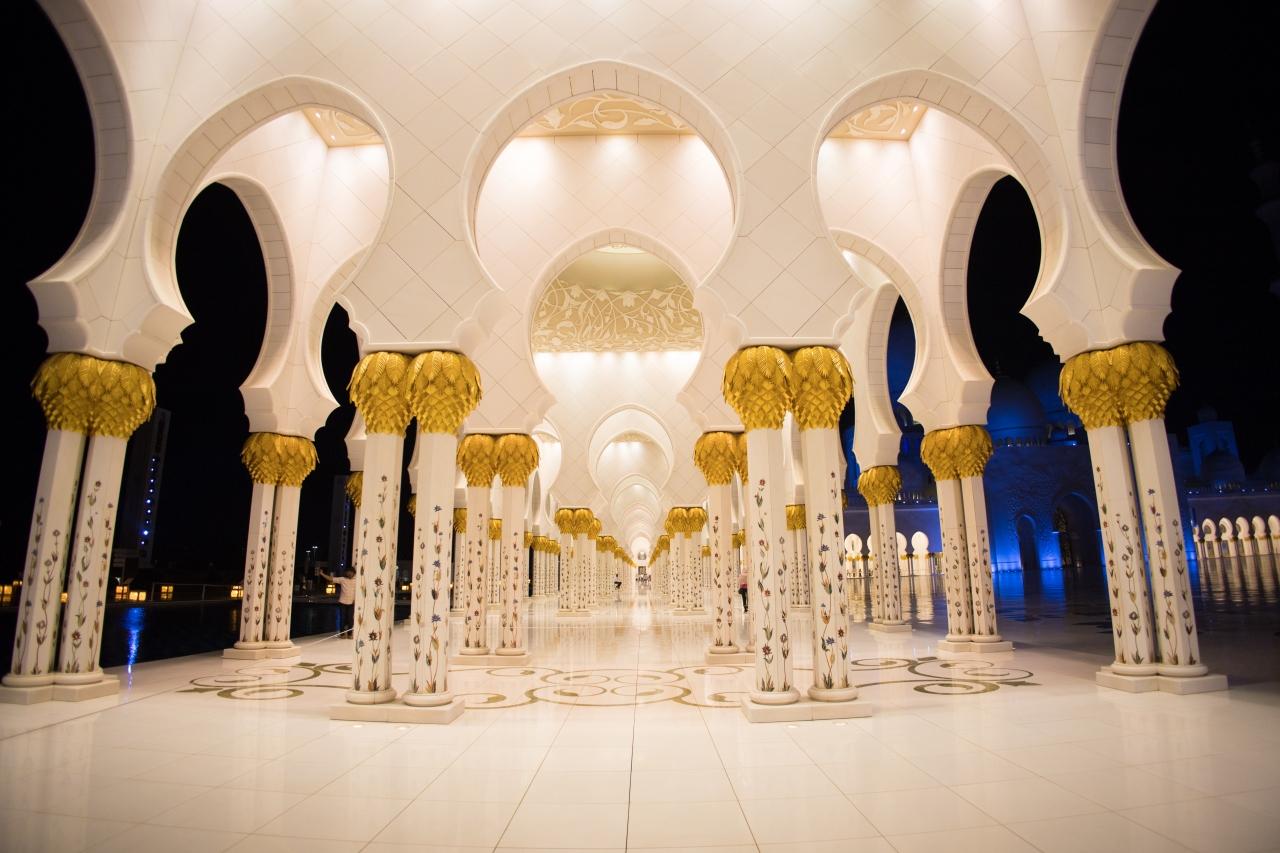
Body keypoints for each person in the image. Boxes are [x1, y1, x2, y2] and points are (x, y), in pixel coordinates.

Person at [318, 568, 357, 637]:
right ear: (346, 573)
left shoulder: (357, 581)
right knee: (342, 618)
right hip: (342, 602)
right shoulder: (342, 579)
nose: (349, 574)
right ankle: (342, 634)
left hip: (351, 603)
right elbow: (331, 579)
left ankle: (350, 634)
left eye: (351, 572)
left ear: (354, 573)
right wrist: (322, 574)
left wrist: (355, 600)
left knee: (350, 619)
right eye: (348, 572)